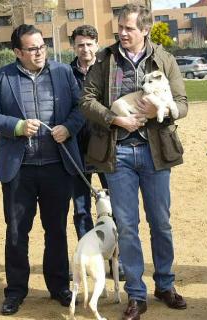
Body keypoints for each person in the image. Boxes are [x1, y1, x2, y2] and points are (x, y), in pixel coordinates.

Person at [79, 4, 188, 320]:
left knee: (161, 222)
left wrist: (161, 111)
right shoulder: (104, 59)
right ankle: (136, 295)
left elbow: (182, 103)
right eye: (119, 28)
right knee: (127, 226)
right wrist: (115, 119)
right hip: (119, 153)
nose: (122, 33)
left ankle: (165, 285)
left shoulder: (164, 59)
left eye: (128, 28)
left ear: (145, 30)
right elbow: (86, 101)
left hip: (157, 152)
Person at [0, 24, 85, 316]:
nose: (39, 53)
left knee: (56, 231)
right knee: (16, 233)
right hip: (19, 170)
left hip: (56, 166)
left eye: (42, 46)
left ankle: (58, 286)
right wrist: (16, 127)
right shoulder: (2, 77)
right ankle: (15, 291)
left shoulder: (64, 73)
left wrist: (68, 127)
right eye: (32, 48)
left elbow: (81, 109)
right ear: (17, 52)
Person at [70, 24, 125, 281]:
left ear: (96, 44)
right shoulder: (65, 73)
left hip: (104, 147)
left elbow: (117, 101)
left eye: (90, 44)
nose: (85, 49)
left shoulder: (109, 69)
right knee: (81, 209)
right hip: (76, 149)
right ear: (74, 47)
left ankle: (117, 260)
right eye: (80, 44)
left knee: (113, 207)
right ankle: (87, 258)